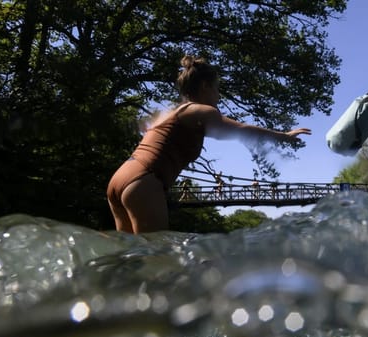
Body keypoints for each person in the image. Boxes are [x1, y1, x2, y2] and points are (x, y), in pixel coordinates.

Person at [106, 55, 311, 233]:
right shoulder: (200, 110)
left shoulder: (169, 113)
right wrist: (283, 135)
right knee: (156, 263)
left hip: (120, 178)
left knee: (129, 262)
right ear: (205, 86)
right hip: (144, 181)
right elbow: (241, 129)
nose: (218, 96)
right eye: (216, 89)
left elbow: (145, 129)